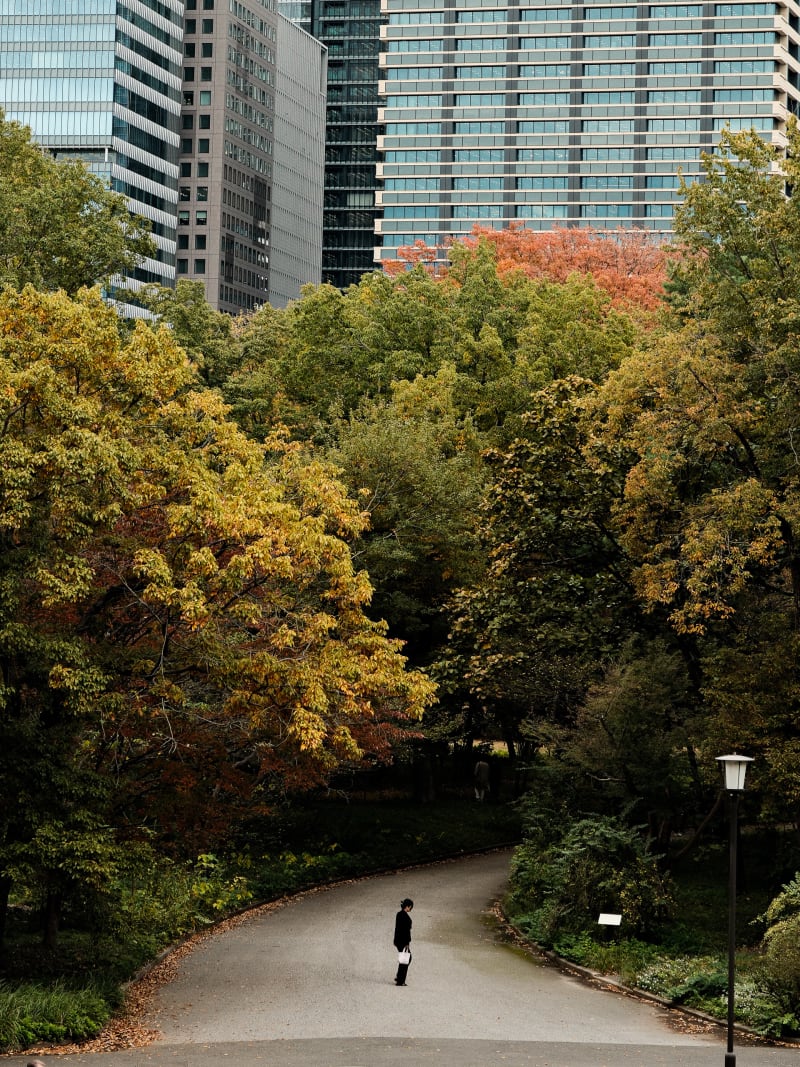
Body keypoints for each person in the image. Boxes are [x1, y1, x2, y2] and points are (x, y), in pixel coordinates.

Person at [393, 898, 413, 986]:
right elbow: (406, 931)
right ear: (408, 906)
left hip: (398, 940)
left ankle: (399, 977)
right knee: (406, 959)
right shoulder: (405, 917)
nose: (410, 909)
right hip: (403, 941)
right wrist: (407, 943)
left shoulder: (399, 914)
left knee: (404, 958)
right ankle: (400, 980)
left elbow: (397, 929)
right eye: (410, 907)